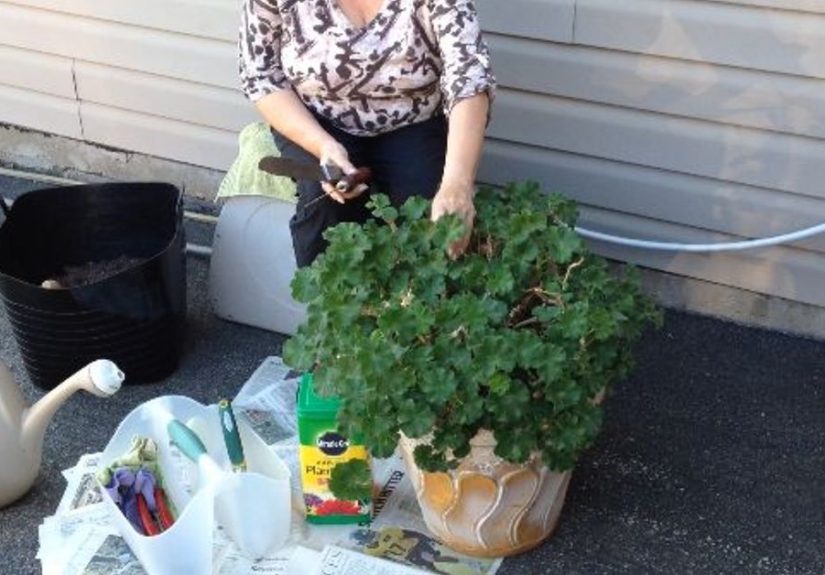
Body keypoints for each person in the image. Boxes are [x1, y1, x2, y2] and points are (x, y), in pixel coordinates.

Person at [240, 0, 495, 267]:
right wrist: (322, 146)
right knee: (325, 205)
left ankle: (408, 304)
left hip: (413, 120)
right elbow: (261, 75)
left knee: (432, 219)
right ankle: (332, 304)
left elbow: (470, 76)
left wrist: (457, 184)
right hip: (316, 119)